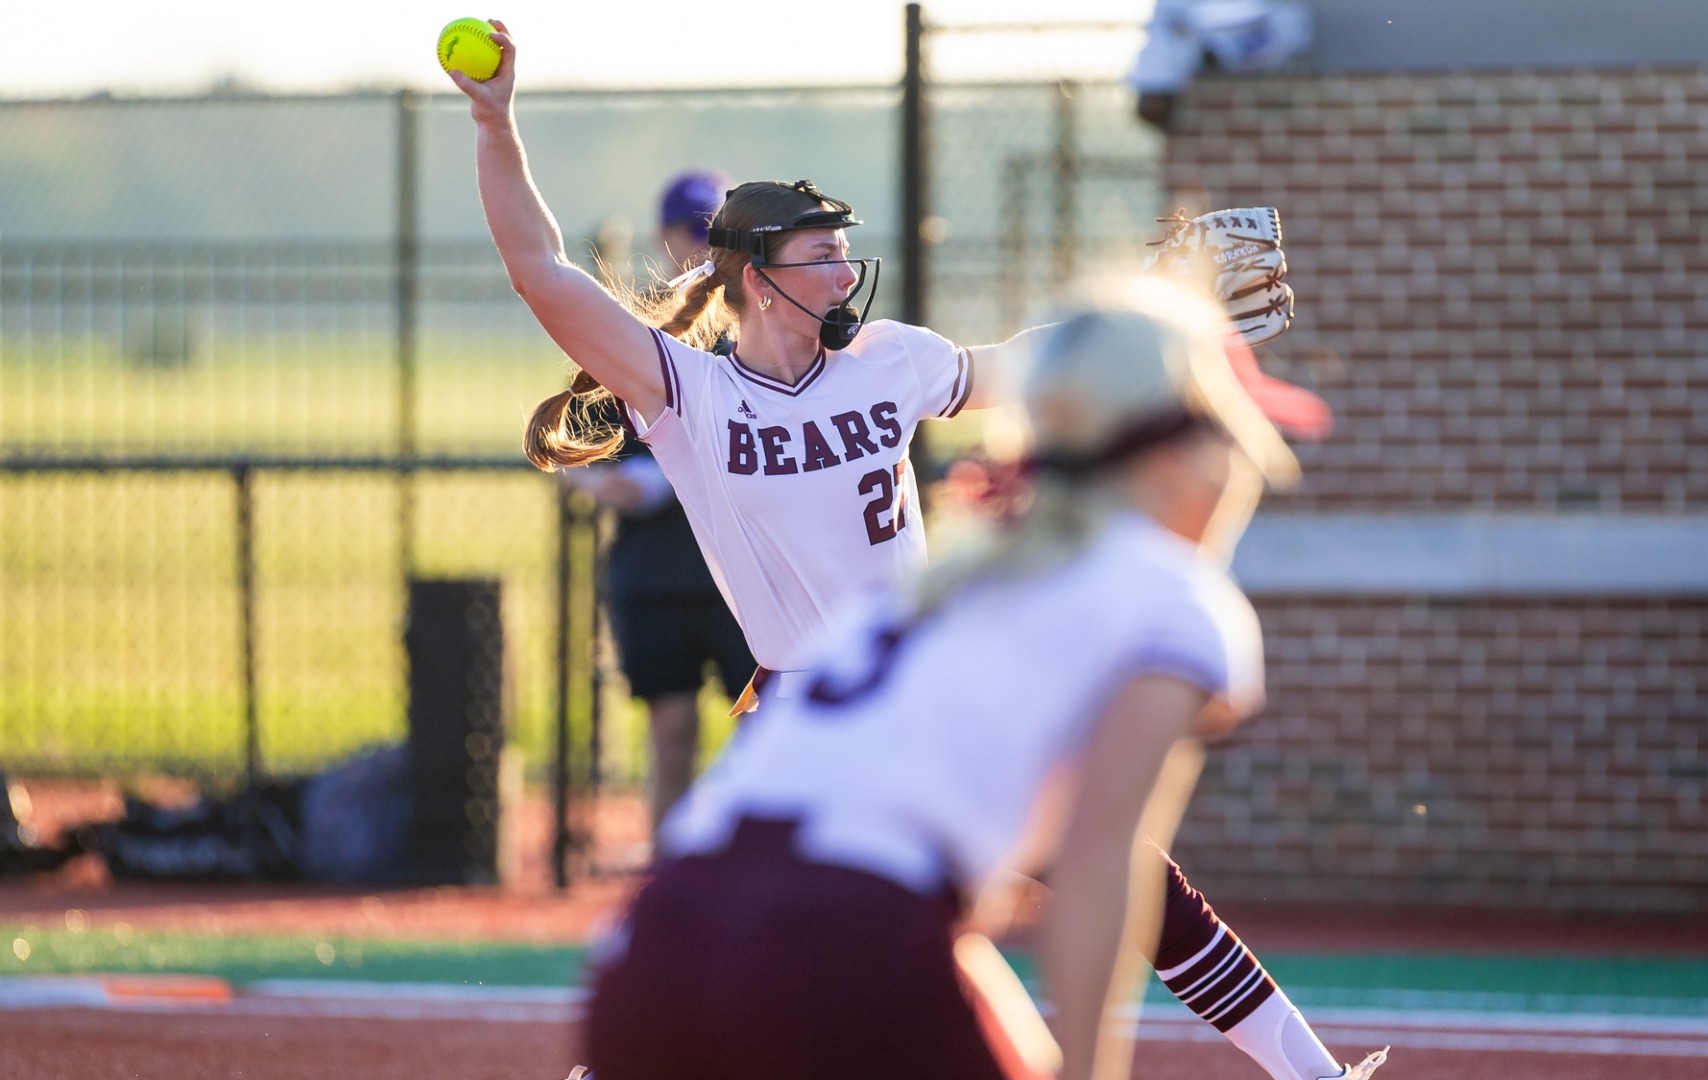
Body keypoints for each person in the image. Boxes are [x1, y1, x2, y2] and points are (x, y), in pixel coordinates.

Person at [447, 24, 1370, 1080]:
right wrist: (494, 122)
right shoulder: (687, 391)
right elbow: (540, 270)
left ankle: (1313, 1071)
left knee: (1075, 893)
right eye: (820, 254)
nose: (846, 269)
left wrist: (1157, 326)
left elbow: (1026, 367)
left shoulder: (890, 360)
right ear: (756, 280)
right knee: (790, 947)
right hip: (801, 704)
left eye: (846, 248)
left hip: (910, 690)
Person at [586, 280, 1384, 1080]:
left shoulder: (931, 586)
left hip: (652, 946)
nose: (1240, 469)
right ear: (1173, 454)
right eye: (1229, 440)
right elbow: (1099, 864)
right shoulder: (1166, 595)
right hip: (839, 939)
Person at [564, 172, 757, 832]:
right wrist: (598, 484)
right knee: (672, 734)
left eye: (713, 234)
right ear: (663, 236)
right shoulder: (632, 332)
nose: (700, 247)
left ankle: (743, 865)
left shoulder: (756, 333)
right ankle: (669, 868)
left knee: (764, 734)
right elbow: (568, 447)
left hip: (737, 577)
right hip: (654, 572)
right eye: (690, 232)